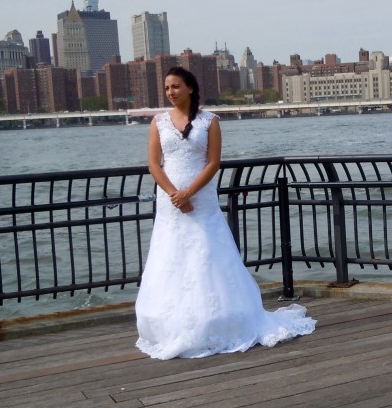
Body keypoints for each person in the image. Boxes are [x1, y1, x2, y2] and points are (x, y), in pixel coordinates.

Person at [135, 66, 315, 359]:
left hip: (201, 199)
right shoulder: (158, 122)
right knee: (171, 254)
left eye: (176, 86)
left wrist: (189, 193)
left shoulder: (210, 121)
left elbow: (213, 163)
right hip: (169, 202)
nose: (171, 92)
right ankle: (170, 322)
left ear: (190, 88)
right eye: (167, 88)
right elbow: (154, 164)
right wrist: (174, 194)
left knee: (206, 252)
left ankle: (216, 318)